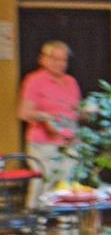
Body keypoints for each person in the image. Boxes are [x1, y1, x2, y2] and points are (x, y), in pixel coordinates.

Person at [17, 40, 81, 201]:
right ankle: (37, 221)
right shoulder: (34, 80)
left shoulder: (71, 82)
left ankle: (65, 222)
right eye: (55, 59)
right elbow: (24, 113)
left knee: (67, 181)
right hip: (43, 143)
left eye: (63, 60)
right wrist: (45, 116)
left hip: (68, 141)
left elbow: (76, 112)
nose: (60, 63)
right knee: (46, 181)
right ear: (43, 59)